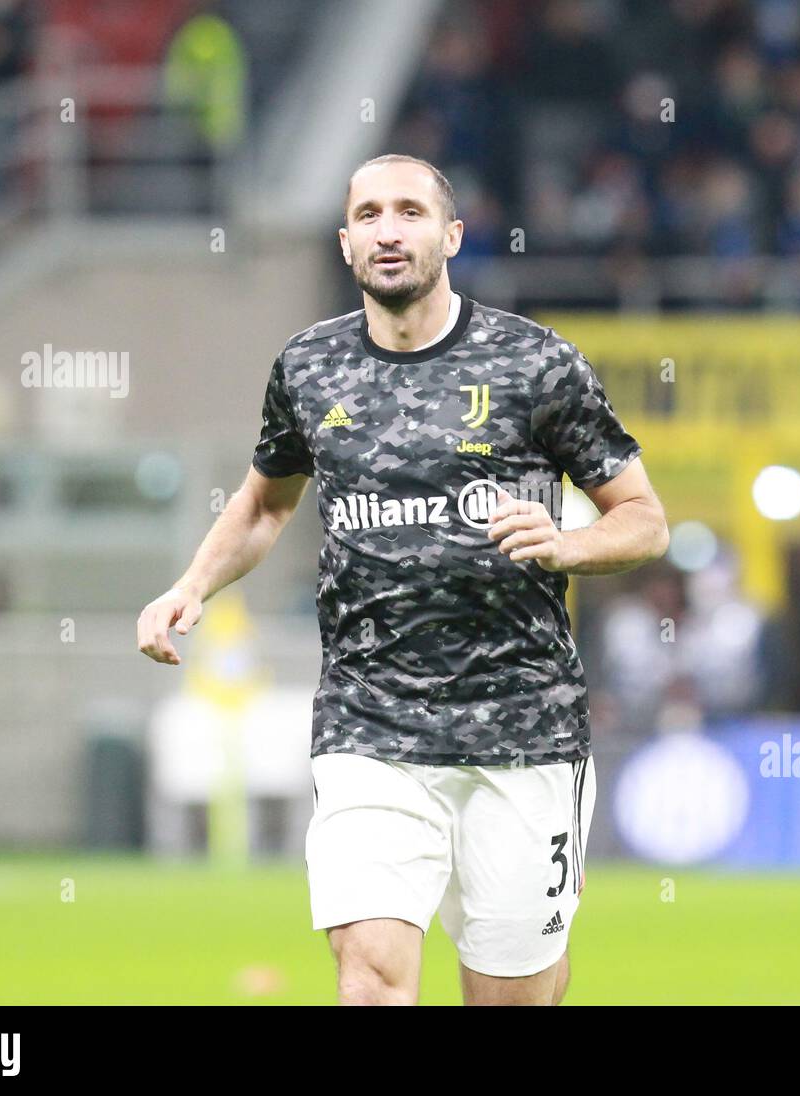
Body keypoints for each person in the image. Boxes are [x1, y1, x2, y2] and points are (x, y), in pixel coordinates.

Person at [136, 154, 668, 1005]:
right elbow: (266, 505)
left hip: (522, 729)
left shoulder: (534, 364)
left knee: (510, 995)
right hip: (369, 724)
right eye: (371, 214)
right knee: (371, 979)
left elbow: (644, 518)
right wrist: (192, 585)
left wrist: (567, 544)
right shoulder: (307, 369)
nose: (390, 229)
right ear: (347, 243)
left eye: (411, 212)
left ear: (450, 235)